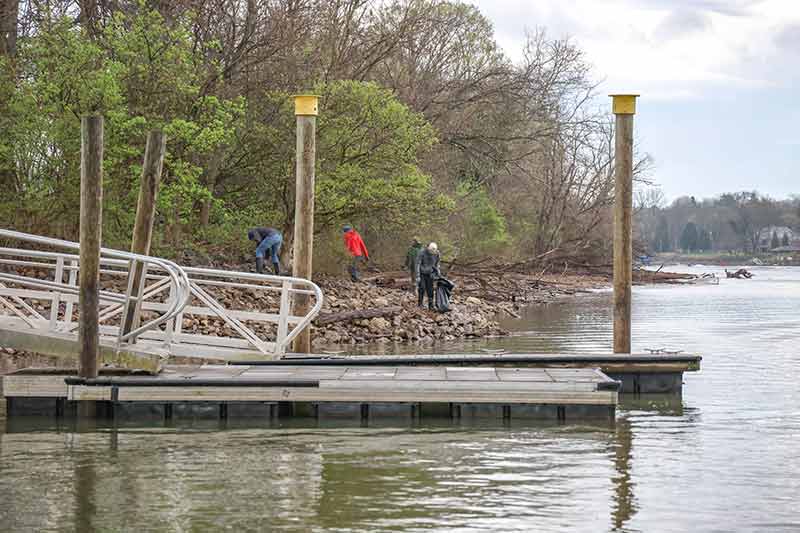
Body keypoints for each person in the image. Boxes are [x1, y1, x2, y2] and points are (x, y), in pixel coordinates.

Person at [416, 242, 440, 309]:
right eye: (430, 251)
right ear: (428, 249)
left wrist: (438, 273)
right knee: (422, 288)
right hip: (422, 273)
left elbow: (437, 264)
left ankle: (431, 305)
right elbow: (418, 264)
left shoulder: (437, 253)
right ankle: (420, 304)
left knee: (430, 289)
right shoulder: (422, 252)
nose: (431, 253)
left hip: (430, 273)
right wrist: (417, 275)